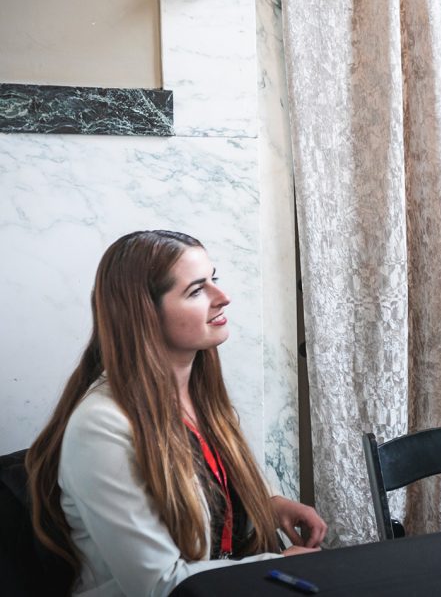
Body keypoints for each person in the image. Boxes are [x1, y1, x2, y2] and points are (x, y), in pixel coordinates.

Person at [25, 230, 328, 596]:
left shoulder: (203, 399)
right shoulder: (100, 426)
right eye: (197, 290)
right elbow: (159, 584)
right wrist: (276, 565)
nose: (223, 297)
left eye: (213, 280)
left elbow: (207, 483)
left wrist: (269, 503)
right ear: (144, 314)